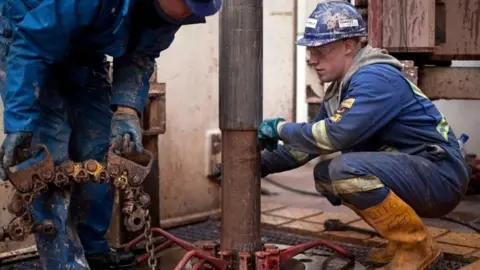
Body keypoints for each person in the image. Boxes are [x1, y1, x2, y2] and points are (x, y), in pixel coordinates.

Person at [226, 1, 469, 270]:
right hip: (416, 170)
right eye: (310, 50)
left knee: (344, 171)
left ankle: (417, 248)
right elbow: (305, 148)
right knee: (325, 174)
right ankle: (400, 243)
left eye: (321, 50)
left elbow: (334, 136)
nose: (311, 59)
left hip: (440, 176)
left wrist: (281, 128)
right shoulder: (341, 87)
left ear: (349, 45)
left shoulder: (375, 78)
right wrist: (255, 165)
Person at [0, 0, 222, 269]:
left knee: (101, 147)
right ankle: (64, 261)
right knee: (50, 155)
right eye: (187, 4)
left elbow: (141, 54)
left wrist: (127, 111)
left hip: (83, 52)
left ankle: (92, 247)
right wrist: (21, 121)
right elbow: (31, 44)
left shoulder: (171, 15)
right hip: (28, 38)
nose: (188, 13)